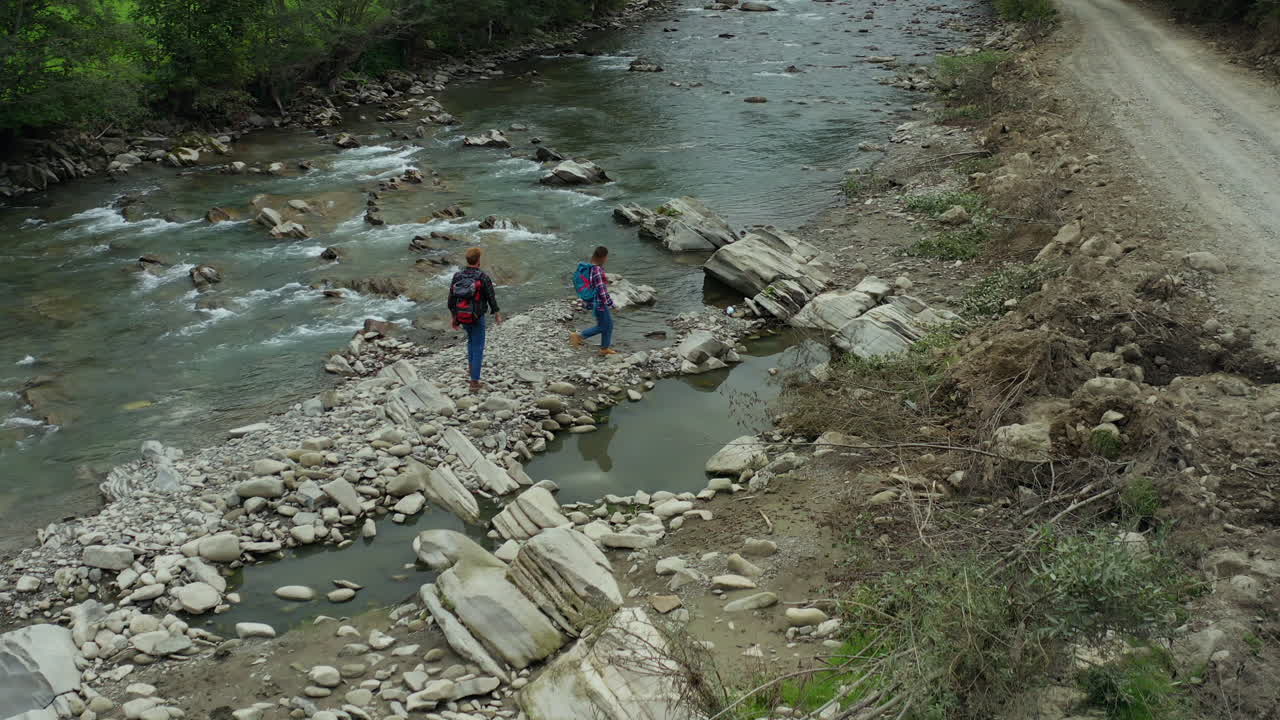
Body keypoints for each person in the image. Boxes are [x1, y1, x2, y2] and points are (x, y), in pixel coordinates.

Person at [448, 247, 502, 392]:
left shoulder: (457, 276)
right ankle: (474, 382)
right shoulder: (483, 277)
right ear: (478, 260)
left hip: (462, 316)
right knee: (478, 346)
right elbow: (491, 297)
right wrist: (496, 313)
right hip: (477, 316)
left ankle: (471, 370)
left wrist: (454, 318)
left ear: (467, 260)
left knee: (471, 341)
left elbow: (451, 300)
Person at [570, 246, 617, 356]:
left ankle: (604, 348)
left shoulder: (591, 268)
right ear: (603, 257)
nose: (607, 259)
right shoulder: (597, 270)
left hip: (594, 302)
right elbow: (601, 290)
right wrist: (611, 304)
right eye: (606, 257)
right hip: (599, 303)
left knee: (608, 325)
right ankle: (579, 336)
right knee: (604, 326)